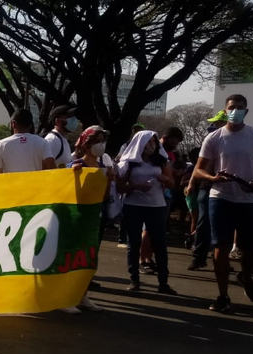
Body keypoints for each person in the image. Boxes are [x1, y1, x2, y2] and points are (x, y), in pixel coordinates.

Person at [191, 95, 253, 312]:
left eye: (239, 108)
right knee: (221, 248)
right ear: (225, 110)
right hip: (220, 198)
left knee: (249, 250)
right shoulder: (214, 138)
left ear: (246, 111)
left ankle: (245, 275)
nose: (235, 111)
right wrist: (212, 179)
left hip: (248, 200)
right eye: (231, 107)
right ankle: (223, 296)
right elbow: (198, 169)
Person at [62, 125, 118, 313]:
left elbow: (103, 197)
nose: (101, 145)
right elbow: (69, 192)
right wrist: (73, 175)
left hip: (96, 218)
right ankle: (66, 297)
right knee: (72, 257)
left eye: (103, 141)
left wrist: (109, 180)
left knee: (89, 257)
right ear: (86, 145)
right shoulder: (76, 165)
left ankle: (82, 295)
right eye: (97, 141)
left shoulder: (103, 168)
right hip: (77, 218)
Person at [117, 130, 177, 295]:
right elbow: (120, 186)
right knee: (133, 243)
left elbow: (172, 185)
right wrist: (135, 186)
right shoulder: (130, 162)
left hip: (156, 206)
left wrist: (165, 180)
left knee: (159, 244)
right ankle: (134, 280)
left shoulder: (161, 161)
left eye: (154, 143)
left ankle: (163, 282)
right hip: (133, 205)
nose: (151, 146)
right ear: (139, 144)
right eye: (148, 142)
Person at [0, 109, 55, 174]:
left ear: (13, 124)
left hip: (12, 184)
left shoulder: (1, 144)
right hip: (35, 183)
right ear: (30, 125)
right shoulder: (42, 142)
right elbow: (50, 166)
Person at [44, 104, 79, 168]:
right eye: (69, 117)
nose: (74, 119)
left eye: (73, 116)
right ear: (57, 121)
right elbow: (45, 167)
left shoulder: (62, 139)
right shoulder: (53, 140)